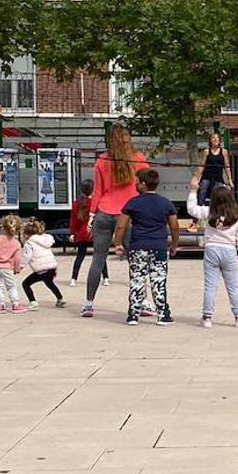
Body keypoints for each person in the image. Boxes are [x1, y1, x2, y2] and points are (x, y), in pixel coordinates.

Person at [83, 125, 149, 318]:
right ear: (128, 138)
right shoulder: (138, 159)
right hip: (127, 214)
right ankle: (142, 301)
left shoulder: (102, 160)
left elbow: (97, 191)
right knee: (134, 261)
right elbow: (147, 185)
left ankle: (88, 303)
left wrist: (92, 215)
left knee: (98, 260)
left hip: (104, 212)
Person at [114, 169, 179, 326]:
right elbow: (174, 227)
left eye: (137, 181)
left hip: (138, 247)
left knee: (137, 280)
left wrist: (117, 243)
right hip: (159, 247)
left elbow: (121, 226)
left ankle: (133, 315)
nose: (135, 184)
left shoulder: (133, 203)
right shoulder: (166, 203)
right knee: (158, 280)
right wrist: (174, 245)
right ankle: (162, 314)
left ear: (143, 184)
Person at [187, 181, 238, 328]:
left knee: (210, 286)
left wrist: (193, 191)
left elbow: (191, 209)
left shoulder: (209, 212)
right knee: (233, 286)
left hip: (211, 249)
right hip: (229, 251)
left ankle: (207, 317)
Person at [20, 219, 64, 310]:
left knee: (25, 284)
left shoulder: (29, 243)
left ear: (26, 234)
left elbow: (26, 257)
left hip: (41, 269)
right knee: (49, 283)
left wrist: (20, 266)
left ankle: (33, 302)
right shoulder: (45, 240)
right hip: (52, 267)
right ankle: (60, 299)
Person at [68, 180, 98, 287]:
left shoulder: (77, 203)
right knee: (99, 256)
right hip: (94, 233)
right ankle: (106, 277)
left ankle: (73, 278)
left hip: (81, 233)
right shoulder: (95, 203)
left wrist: (72, 233)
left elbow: (73, 220)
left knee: (80, 256)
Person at [194, 132, 232, 207]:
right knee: (202, 192)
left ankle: (217, 212)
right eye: (213, 138)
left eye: (217, 138)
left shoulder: (224, 152)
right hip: (207, 176)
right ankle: (198, 213)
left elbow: (227, 166)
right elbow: (202, 166)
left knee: (219, 195)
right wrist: (197, 178)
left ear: (220, 140)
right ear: (210, 140)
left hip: (218, 177)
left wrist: (229, 180)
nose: (215, 139)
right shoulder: (206, 151)